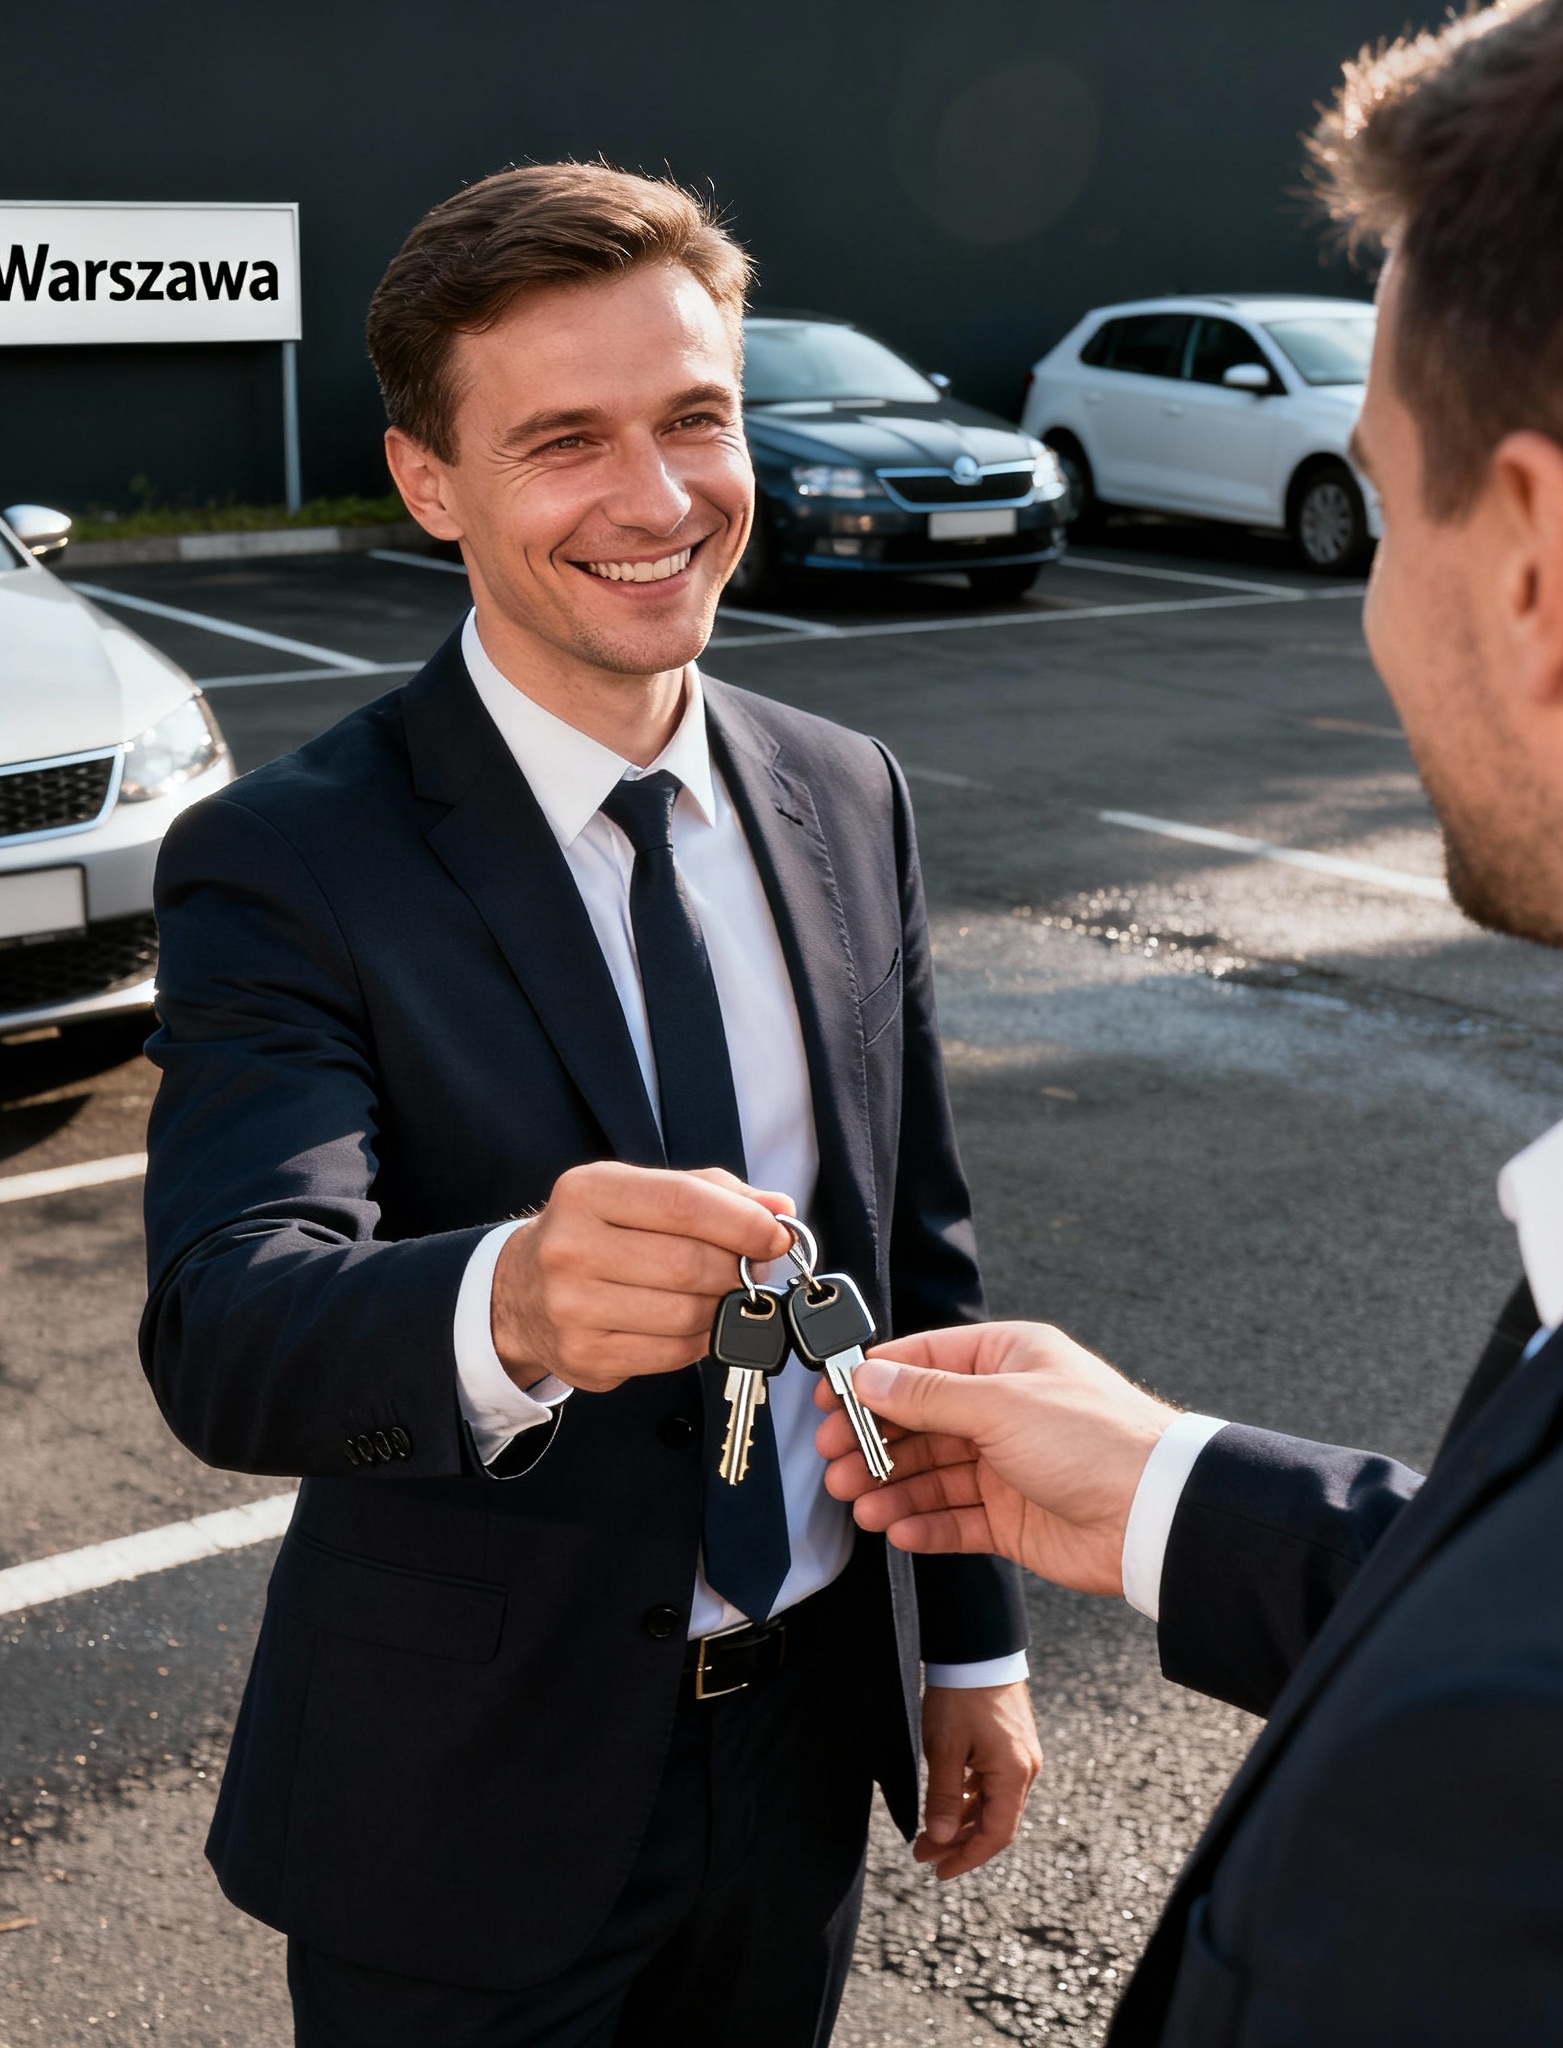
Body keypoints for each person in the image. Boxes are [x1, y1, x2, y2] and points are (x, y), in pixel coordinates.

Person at [816, 3, 1563, 2040]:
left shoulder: (1547, 1779)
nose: (1373, 607)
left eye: (1384, 507)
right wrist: (1157, 1483)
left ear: (1540, 559)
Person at [138, 163, 1040, 2046]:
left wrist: (970, 1642)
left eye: (694, 420)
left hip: (802, 1750)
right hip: (464, 1800)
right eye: (563, 442)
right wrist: (512, 1308)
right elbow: (229, 1324)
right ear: (426, 483)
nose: (657, 503)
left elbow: (917, 1255)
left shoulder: (844, 788)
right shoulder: (288, 859)